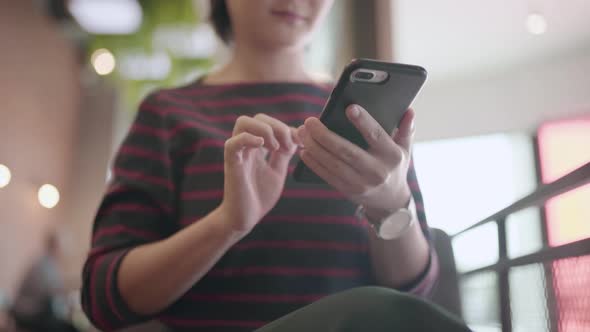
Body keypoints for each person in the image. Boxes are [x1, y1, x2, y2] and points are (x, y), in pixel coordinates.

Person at [81, 0, 470, 331]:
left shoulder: (363, 118)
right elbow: (103, 296)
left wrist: (390, 204)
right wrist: (226, 225)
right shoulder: (168, 114)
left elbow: (414, 292)